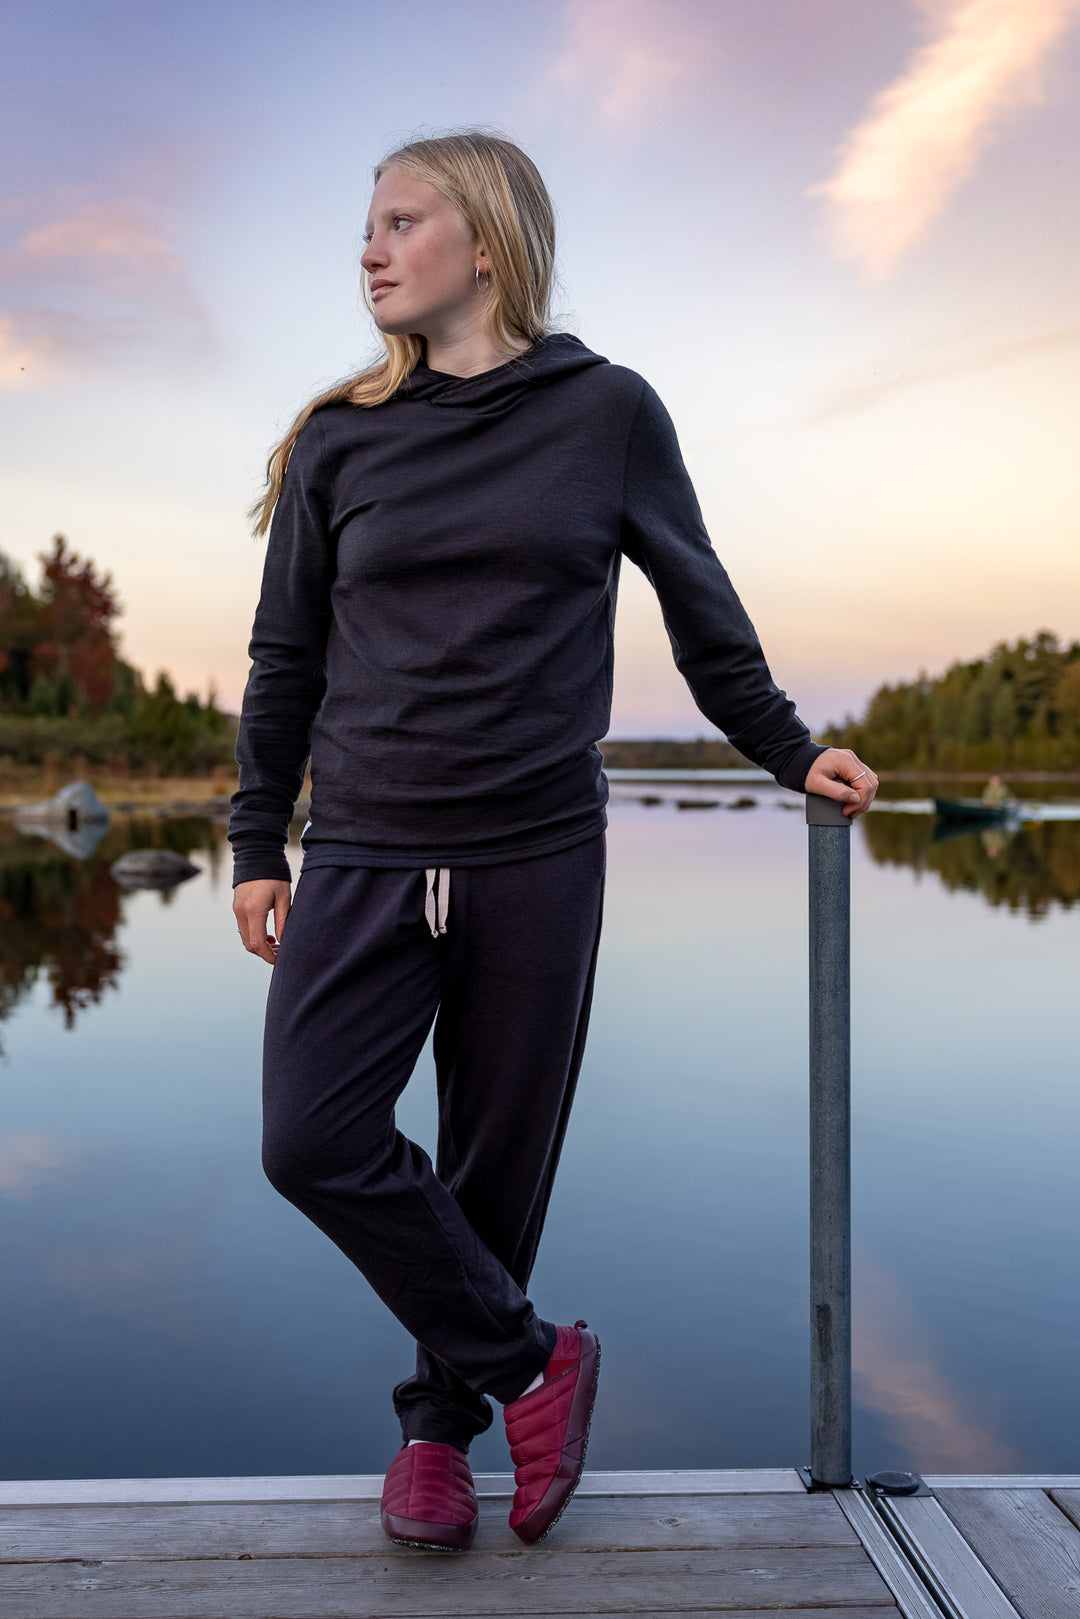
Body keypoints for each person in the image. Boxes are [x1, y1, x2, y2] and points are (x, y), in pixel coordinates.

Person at [229, 131, 878, 1554]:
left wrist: (789, 750)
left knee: (495, 1164)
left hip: (534, 850)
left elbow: (703, 614)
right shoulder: (341, 439)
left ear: (489, 242)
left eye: (402, 221)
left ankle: (436, 1438)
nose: (370, 250)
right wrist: (256, 839)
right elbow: (286, 658)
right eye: (367, 226)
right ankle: (537, 1368)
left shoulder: (608, 413)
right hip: (366, 847)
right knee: (311, 1138)